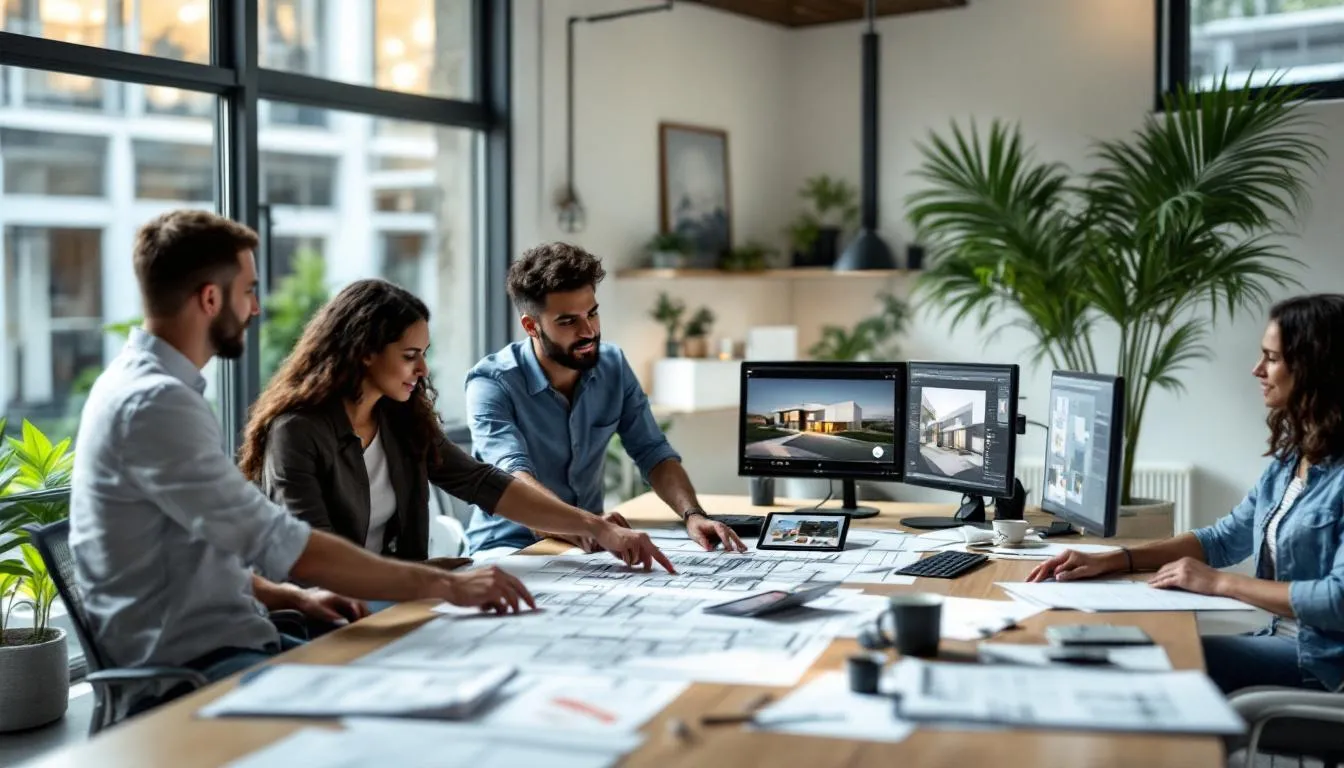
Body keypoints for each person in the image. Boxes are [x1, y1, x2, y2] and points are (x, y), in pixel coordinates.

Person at [70, 212, 643, 716]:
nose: (257, 308)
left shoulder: (160, 391)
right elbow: (288, 543)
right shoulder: (159, 404)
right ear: (210, 299)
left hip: (251, 636)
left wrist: (290, 597)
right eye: (248, 290)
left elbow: (199, 552)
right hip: (205, 668)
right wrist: (440, 582)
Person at [238, 278, 675, 573]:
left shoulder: (398, 417)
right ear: (364, 351)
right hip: (328, 618)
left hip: (399, 601)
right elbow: (317, 559)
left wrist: (597, 527)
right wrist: (426, 578)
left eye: (424, 353)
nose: (423, 368)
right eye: (410, 355)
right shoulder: (296, 431)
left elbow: (483, 482)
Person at [1027, 293, 1344, 695]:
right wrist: (1115, 560)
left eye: (1272, 358)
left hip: (1322, 667)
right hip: (1278, 639)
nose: (1257, 370)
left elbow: (1338, 599)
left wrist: (1219, 583)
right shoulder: (1292, 460)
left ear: (1316, 369)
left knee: (1153, 658)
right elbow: (1222, 539)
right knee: (1110, 648)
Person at [462, 242, 747, 557]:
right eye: (568, 321)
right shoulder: (490, 383)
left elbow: (652, 451)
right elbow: (512, 481)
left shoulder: (612, 365)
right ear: (532, 326)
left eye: (593, 313)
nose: (589, 331)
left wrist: (693, 515)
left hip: (591, 544)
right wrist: (590, 526)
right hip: (507, 547)